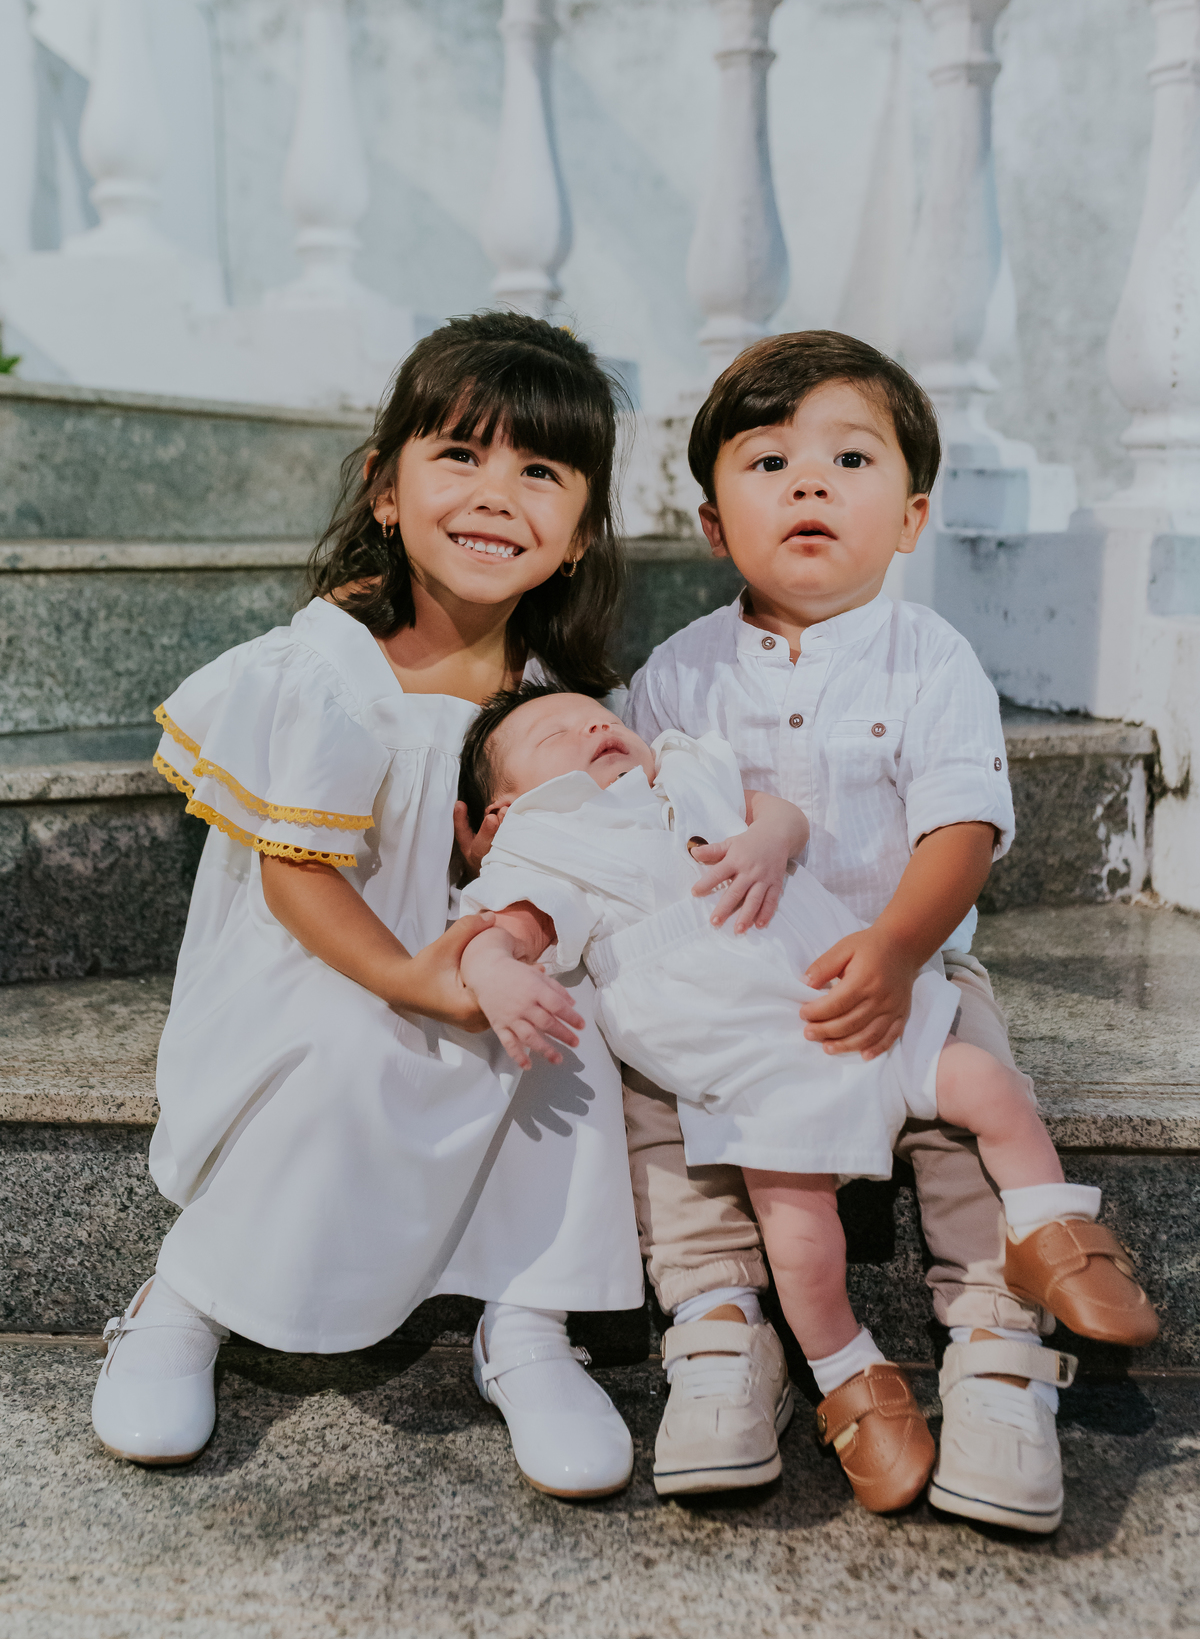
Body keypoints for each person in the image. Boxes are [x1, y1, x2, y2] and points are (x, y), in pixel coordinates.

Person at [90, 313, 645, 1500]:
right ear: (384, 489)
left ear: (580, 532)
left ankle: (532, 1318)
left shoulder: (553, 699)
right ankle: (187, 1296)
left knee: (571, 1032)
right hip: (328, 962)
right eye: (460, 455)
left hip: (482, 954)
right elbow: (297, 877)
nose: (497, 495)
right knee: (359, 1044)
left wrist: (502, 951)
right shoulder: (330, 666)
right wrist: (416, 976)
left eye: (539, 471)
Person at [610, 329, 1156, 1534]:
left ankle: (997, 1346)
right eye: (768, 463)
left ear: (910, 518)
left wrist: (904, 949)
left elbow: (961, 828)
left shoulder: (932, 658)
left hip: (905, 954)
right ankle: (714, 1328)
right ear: (712, 524)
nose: (808, 483)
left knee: (969, 1092)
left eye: (848, 458)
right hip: (740, 992)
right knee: (656, 1093)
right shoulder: (676, 679)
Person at [451, 684, 1158, 1513]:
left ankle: (1052, 1229)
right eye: (553, 733)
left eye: (599, 716)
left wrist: (768, 839)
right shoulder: (550, 844)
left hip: (850, 1002)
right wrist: (495, 970)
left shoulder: (683, 772)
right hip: (757, 1079)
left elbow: (777, 811)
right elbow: (506, 932)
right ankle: (847, 1371)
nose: (595, 725)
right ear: (500, 811)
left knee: (989, 1084)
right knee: (800, 1242)